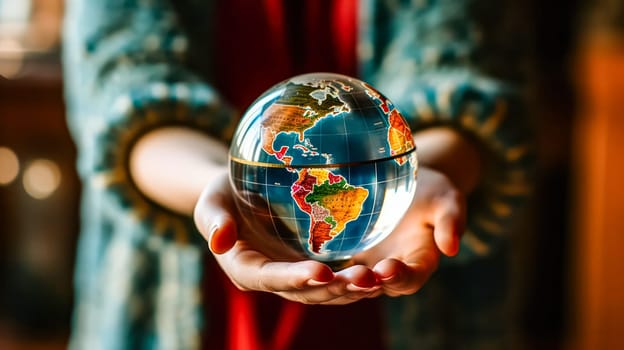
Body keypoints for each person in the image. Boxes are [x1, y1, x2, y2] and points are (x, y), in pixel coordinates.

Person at [62, 0, 533, 349]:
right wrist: (213, 188)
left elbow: (476, 89)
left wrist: (430, 171)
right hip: (181, 308)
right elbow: (122, 99)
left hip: (413, 317)